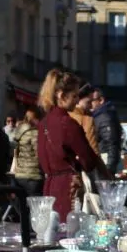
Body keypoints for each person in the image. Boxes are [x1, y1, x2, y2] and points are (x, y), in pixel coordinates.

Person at [37, 75, 102, 222]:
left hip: (48, 187)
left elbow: (41, 159)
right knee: (69, 234)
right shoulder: (68, 123)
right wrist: (78, 164)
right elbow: (89, 160)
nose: (77, 100)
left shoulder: (43, 123)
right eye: (74, 96)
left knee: (50, 230)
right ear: (61, 95)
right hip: (69, 188)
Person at [11, 105, 44, 198]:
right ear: (36, 118)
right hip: (33, 176)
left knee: (22, 209)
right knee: (35, 208)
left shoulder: (20, 132)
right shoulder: (34, 133)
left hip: (20, 176)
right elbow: (40, 154)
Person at [89, 87, 124, 173]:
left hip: (104, 162)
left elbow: (111, 143)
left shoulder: (104, 117)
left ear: (101, 100)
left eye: (92, 101)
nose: (89, 104)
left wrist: (109, 167)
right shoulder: (99, 116)